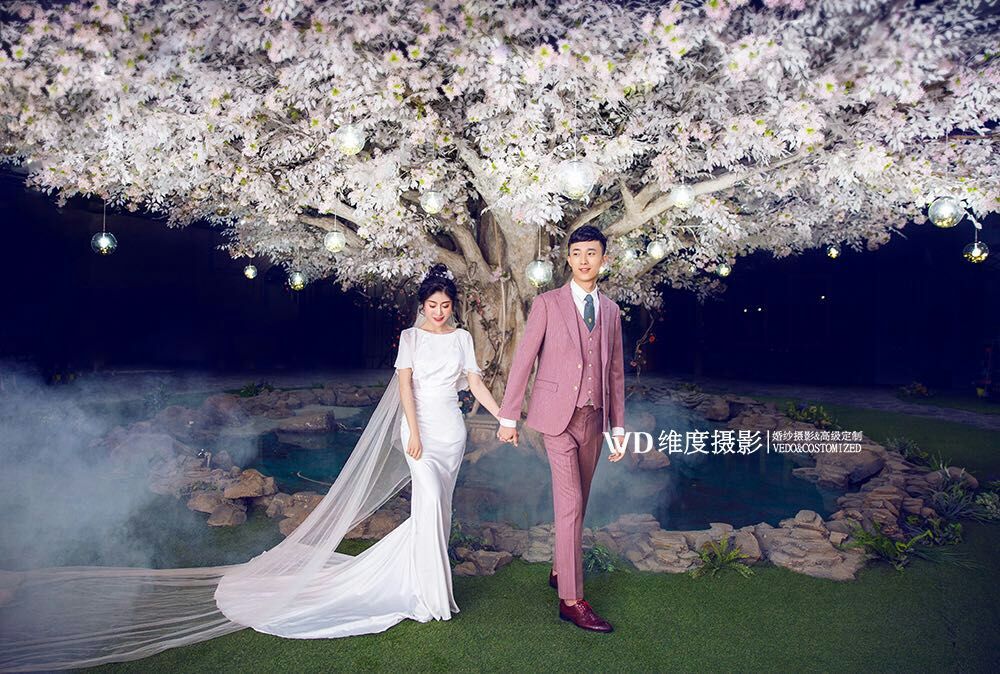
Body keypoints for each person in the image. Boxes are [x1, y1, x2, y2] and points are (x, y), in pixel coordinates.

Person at [0, 263, 503, 671]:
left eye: (445, 306)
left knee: (439, 511)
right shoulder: (411, 337)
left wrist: (502, 415)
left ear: (453, 307)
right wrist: (412, 431)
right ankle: (426, 596)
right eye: (433, 306)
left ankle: (429, 586)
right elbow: (405, 389)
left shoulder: (461, 339)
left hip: (452, 433)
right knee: (427, 503)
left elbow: (475, 383)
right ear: (422, 306)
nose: (440, 312)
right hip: (421, 431)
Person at [495, 225, 627, 633]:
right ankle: (571, 600)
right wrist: (508, 417)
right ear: (568, 259)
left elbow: (616, 373)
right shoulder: (547, 303)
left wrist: (618, 427)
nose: (584, 260)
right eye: (577, 253)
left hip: (594, 418)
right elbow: (524, 360)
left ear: (604, 259)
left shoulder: (611, 311)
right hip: (556, 419)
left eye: (592, 253)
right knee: (569, 504)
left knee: (580, 502)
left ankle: (559, 568)